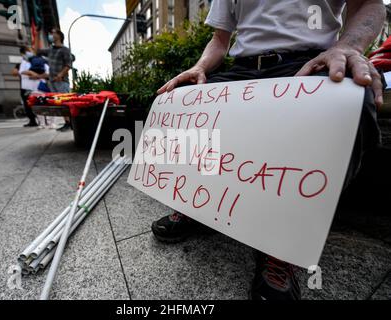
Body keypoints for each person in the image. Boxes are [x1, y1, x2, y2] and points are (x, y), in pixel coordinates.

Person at [151, 0, 386, 300]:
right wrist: (199, 67)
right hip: (244, 69)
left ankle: (282, 242)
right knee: (178, 100)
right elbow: (219, 40)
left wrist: (348, 46)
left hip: (308, 64)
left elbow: (369, 4)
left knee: (352, 105)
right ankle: (197, 202)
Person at [35, 28, 72, 132]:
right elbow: (37, 51)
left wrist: (60, 74)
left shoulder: (64, 50)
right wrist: (37, 34)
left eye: (53, 33)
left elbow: (68, 64)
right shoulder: (50, 50)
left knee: (65, 102)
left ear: (59, 36)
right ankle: (67, 123)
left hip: (62, 81)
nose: (50, 35)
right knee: (59, 103)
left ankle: (70, 123)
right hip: (52, 81)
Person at [15, 46, 50, 127]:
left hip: (40, 86)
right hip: (30, 87)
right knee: (35, 105)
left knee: (43, 104)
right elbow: (22, 72)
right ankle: (40, 122)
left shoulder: (41, 60)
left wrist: (37, 75)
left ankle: (48, 122)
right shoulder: (25, 61)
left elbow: (47, 72)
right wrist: (33, 73)